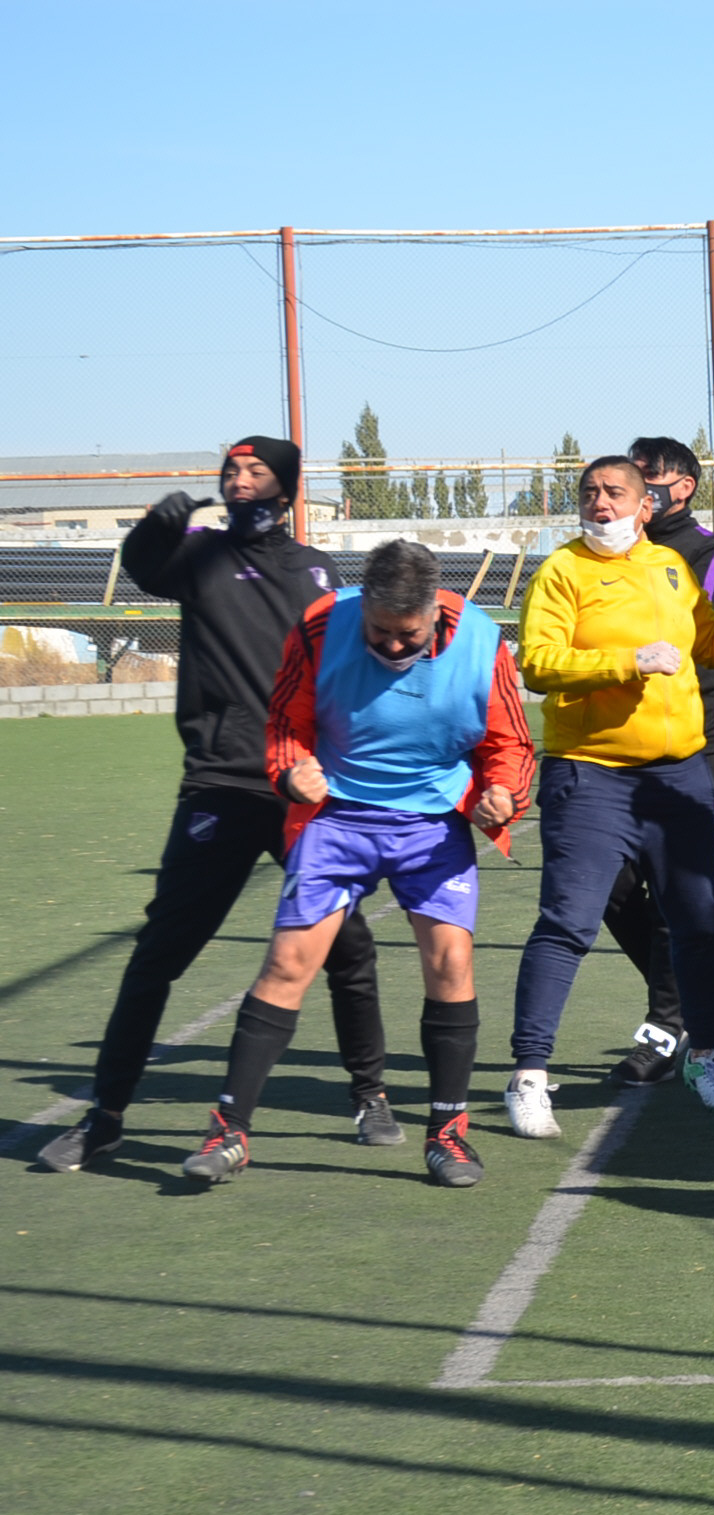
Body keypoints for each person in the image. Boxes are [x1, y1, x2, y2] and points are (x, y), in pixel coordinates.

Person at [39, 437, 392, 1174]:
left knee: (348, 947)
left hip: (302, 788)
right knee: (159, 956)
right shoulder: (198, 557)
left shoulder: (321, 574)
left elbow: (346, 673)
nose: (238, 481)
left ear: (287, 489)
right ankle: (105, 1117)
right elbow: (140, 566)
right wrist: (159, 522)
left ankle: (371, 1096)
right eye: (230, 472)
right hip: (220, 784)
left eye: (256, 472)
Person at [179, 540, 533, 1187]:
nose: (394, 647)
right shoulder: (320, 624)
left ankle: (448, 1134)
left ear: (436, 613)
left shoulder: (484, 641)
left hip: (432, 825)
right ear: (360, 608)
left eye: (410, 635)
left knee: (451, 961)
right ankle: (228, 1131)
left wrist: (502, 794)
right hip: (338, 818)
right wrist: (291, 773)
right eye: (380, 632)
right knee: (287, 962)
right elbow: (284, 721)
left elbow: (511, 743)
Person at [504, 456, 714, 1134]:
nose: (600, 503)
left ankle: (705, 1056)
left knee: (697, 920)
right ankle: (529, 1074)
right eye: (589, 493)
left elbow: (710, 645)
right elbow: (537, 664)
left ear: (643, 505)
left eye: (614, 492)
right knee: (567, 922)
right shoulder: (562, 571)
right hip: (590, 774)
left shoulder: (669, 567)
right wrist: (623, 663)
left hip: (677, 776)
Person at [595, 436, 714, 1086]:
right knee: (611, 885)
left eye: (648, 476)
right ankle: (678, 1006)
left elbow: (706, 644)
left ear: (682, 485)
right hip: (609, 743)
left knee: (677, 890)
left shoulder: (710, 555)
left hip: (691, 743)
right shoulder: (611, 552)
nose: (635, 487)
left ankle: (670, 1023)